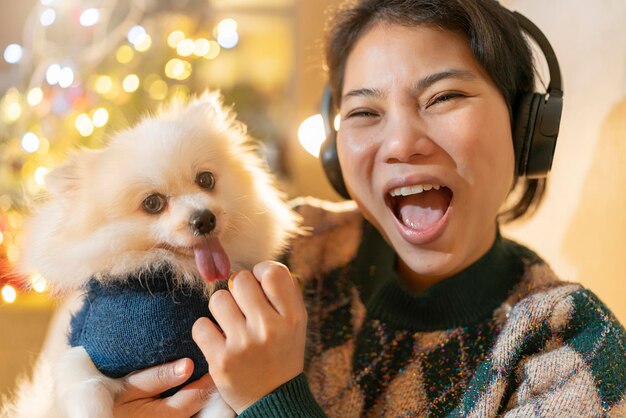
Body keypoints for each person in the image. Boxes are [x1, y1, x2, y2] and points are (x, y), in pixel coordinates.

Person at [112, 0, 626, 416]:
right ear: (336, 152)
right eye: (364, 111)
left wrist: (273, 401)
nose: (401, 143)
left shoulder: (574, 347)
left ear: (525, 127)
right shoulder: (285, 246)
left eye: (443, 97)